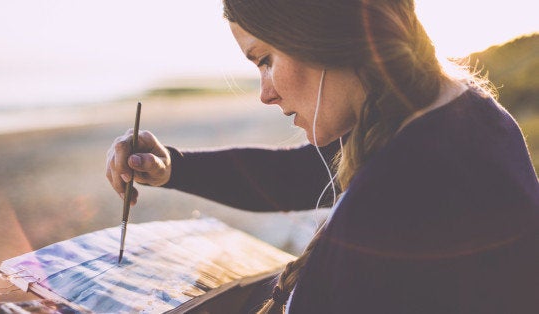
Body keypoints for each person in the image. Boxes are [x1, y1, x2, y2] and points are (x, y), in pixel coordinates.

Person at [106, 0, 539, 312]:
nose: (265, 93)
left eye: (265, 59)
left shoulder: (394, 197)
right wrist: (173, 167)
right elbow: (303, 172)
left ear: (319, 34)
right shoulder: (463, 119)